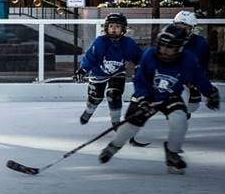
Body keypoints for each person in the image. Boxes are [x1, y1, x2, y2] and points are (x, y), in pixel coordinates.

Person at [98, 24, 219, 174]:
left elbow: (199, 78)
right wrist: (142, 98)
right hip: (148, 95)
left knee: (180, 120)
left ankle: (172, 153)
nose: (165, 51)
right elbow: (140, 80)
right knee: (131, 126)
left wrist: (210, 92)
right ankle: (113, 146)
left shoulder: (188, 60)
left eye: (170, 47)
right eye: (162, 46)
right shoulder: (150, 55)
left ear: (180, 48)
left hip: (170, 96)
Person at [74, 13, 142, 126]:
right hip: (98, 73)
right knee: (95, 98)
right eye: (111, 26)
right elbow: (90, 57)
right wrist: (83, 70)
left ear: (123, 29)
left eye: (117, 26)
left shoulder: (127, 43)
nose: (114, 29)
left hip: (117, 73)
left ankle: (116, 122)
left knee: (114, 94)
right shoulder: (100, 41)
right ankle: (89, 111)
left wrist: (140, 68)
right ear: (106, 28)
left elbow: (138, 57)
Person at [173, 10, 210, 114]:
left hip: (190, 79)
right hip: (170, 77)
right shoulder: (167, 39)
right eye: (178, 27)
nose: (180, 32)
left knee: (192, 104)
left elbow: (203, 65)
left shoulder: (200, 43)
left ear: (192, 29)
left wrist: (197, 83)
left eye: (184, 29)